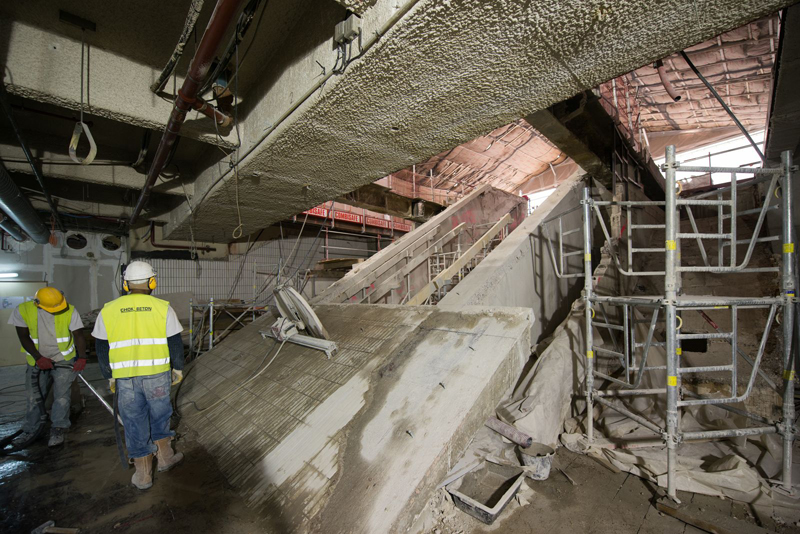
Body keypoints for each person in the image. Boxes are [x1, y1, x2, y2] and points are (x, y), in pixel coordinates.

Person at [92, 260, 185, 490]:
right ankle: (164, 459)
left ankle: (143, 476)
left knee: (134, 423)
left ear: (125, 285)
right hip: (157, 376)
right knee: (160, 416)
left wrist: (109, 375)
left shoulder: (108, 309)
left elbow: (101, 347)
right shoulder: (163, 307)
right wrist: (178, 368)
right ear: (152, 281)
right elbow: (175, 342)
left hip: (126, 379)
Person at [9, 287, 87, 447]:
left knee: (62, 396)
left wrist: (82, 357)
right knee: (35, 396)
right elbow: (23, 337)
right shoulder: (23, 310)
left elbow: (78, 334)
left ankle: (58, 427)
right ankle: (32, 429)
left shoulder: (69, 310)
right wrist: (39, 358)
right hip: (37, 359)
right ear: (37, 303)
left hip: (63, 358)